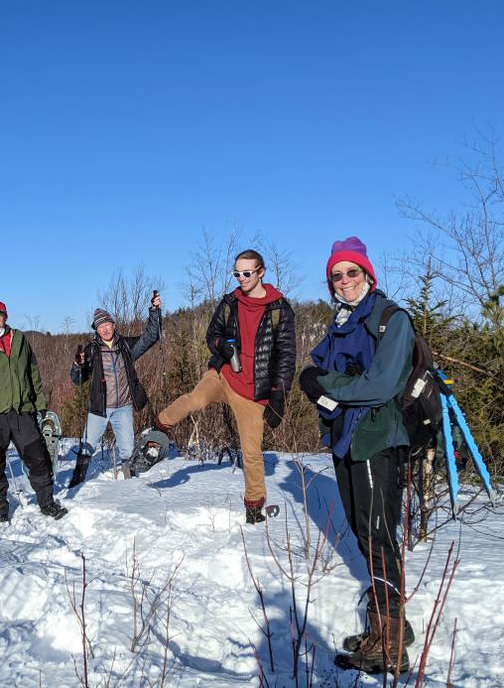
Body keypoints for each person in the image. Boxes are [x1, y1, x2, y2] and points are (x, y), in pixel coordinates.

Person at [297, 236, 414, 675]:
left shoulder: (390, 319)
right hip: (348, 438)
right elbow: (339, 375)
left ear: (368, 274)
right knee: (365, 533)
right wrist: (319, 383)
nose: (344, 281)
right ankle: (388, 624)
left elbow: (381, 385)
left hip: (376, 439)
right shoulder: (343, 321)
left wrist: (324, 384)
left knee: (378, 536)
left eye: (352, 272)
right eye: (336, 275)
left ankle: (391, 645)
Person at [151, 249, 295, 523]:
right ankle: (159, 428)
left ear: (261, 272)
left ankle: (254, 509)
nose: (241, 278)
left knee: (251, 452)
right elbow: (212, 335)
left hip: (255, 391)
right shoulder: (230, 302)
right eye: (236, 273)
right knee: (195, 400)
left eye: (247, 273)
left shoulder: (279, 309)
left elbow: (286, 356)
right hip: (224, 374)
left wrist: (279, 396)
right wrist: (222, 346)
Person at [0, 300, 67, 523]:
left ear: (6, 316)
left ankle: (47, 503)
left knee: (38, 458)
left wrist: (39, 403)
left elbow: (32, 372)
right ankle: (0, 510)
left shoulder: (19, 339)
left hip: (21, 412)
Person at [69, 294, 162, 487]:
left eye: (107, 324)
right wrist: (78, 366)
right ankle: (76, 484)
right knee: (87, 447)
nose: (104, 329)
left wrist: (154, 311)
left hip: (123, 408)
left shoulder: (126, 346)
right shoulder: (92, 350)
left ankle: (131, 486)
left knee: (128, 451)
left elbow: (152, 336)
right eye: (100, 326)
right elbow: (78, 380)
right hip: (99, 410)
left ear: (113, 325)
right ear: (96, 330)